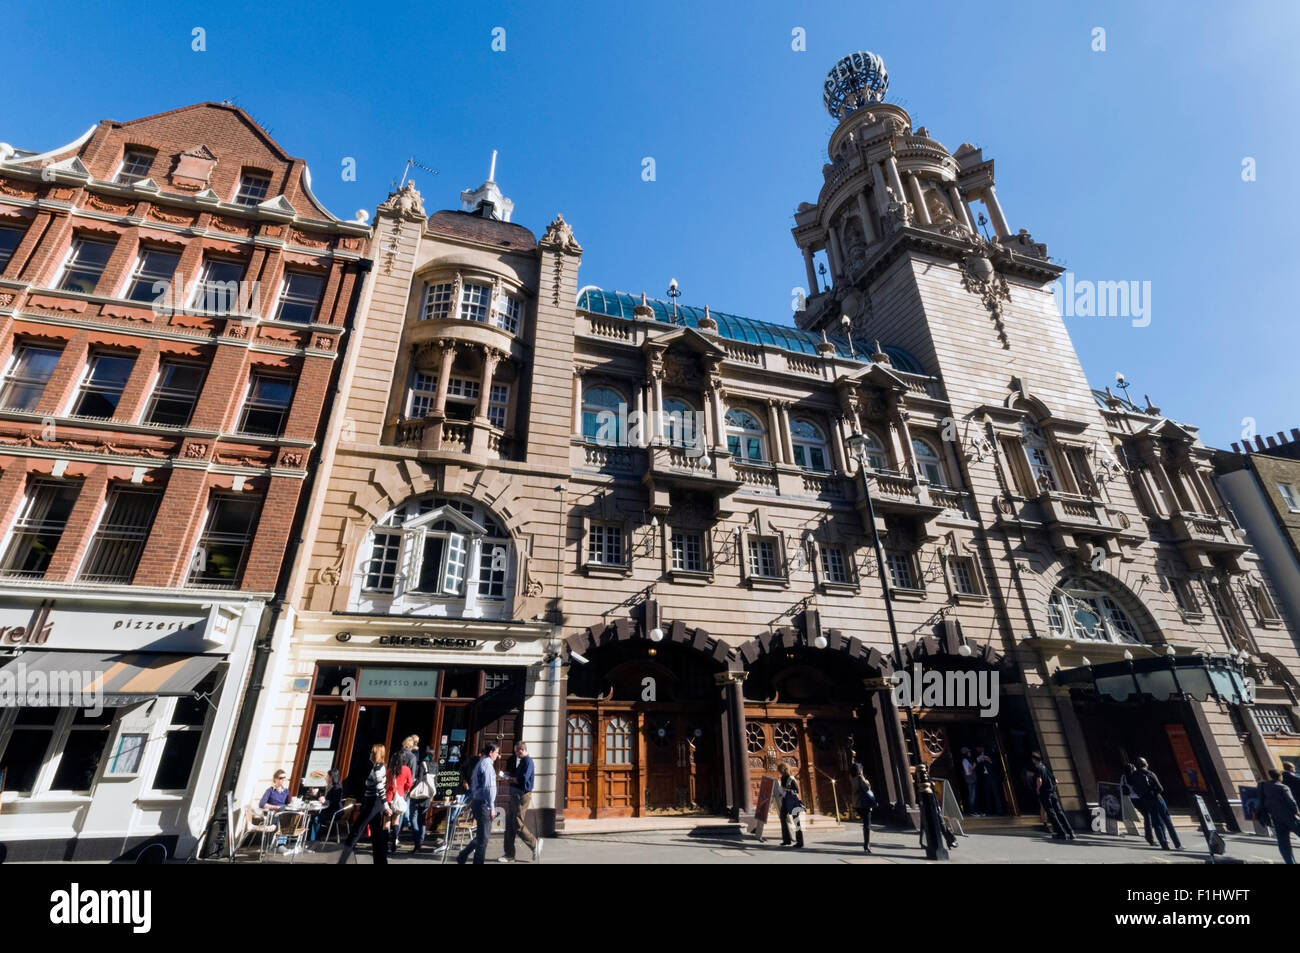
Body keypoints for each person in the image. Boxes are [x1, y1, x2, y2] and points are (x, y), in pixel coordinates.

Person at [338, 744, 391, 864]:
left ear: (376, 753)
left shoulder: (377, 767)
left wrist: (386, 805)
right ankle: (381, 861)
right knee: (376, 834)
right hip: (373, 803)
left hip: (373, 803)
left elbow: (379, 787)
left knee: (356, 830)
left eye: (372, 751)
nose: (370, 753)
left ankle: (342, 860)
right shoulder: (378, 767)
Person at [500, 741, 542, 863]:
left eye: (517, 751)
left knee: (517, 823)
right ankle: (509, 854)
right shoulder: (522, 761)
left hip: (522, 795)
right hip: (515, 795)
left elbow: (524, 779)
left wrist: (511, 779)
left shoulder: (528, 762)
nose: (516, 754)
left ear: (521, 750)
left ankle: (535, 844)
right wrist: (508, 776)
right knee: (509, 823)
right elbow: (518, 776)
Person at [457, 743, 499, 865]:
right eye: (496, 752)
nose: (497, 755)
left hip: (477, 802)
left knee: (481, 835)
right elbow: (488, 788)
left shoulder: (481, 763)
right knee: (483, 839)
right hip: (483, 804)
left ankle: (463, 855)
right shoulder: (487, 765)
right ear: (491, 752)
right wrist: (492, 807)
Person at [1131, 757, 1181, 850]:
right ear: (1146, 764)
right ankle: (1177, 844)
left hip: (1147, 801)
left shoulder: (1134, 775)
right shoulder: (1150, 773)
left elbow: (1134, 789)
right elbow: (1160, 788)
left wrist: (1143, 795)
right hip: (1158, 799)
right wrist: (1154, 792)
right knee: (1167, 822)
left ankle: (1164, 845)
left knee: (1156, 822)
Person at [1029, 752, 1074, 841]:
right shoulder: (1046, 767)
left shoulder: (1037, 768)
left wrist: (1038, 789)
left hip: (1045, 793)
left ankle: (1061, 833)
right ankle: (1070, 832)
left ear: (1034, 760)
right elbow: (1056, 781)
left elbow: (1039, 780)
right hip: (1052, 792)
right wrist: (1053, 789)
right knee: (1059, 812)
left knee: (1051, 813)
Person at [1260, 768, 1300, 864]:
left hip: (1276, 817)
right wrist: (1297, 812)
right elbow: (1292, 802)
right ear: (1280, 777)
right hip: (1290, 817)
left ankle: (1290, 862)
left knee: (1283, 843)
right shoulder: (1283, 787)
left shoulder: (1264, 786)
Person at [386, 748, 413, 855]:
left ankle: (384, 842)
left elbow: (386, 783)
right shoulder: (406, 769)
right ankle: (394, 841)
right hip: (399, 796)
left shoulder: (389, 770)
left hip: (389, 797)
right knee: (396, 821)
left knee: (386, 821)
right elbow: (409, 784)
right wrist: (404, 790)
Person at [1121, 762, 1156, 846]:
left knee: (1147, 816)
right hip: (1141, 798)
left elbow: (1121, 787)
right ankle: (1149, 837)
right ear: (1133, 769)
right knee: (1148, 817)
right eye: (1134, 767)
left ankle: (1149, 835)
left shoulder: (1123, 777)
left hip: (1133, 799)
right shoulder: (1135, 776)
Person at [407, 747, 433, 853]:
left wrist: (410, 790)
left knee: (413, 818)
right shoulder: (435, 765)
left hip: (418, 796)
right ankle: (420, 842)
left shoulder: (422, 764)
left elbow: (419, 779)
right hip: (427, 796)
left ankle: (417, 842)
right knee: (422, 819)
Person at [310, 768, 345, 842]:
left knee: (316, 818)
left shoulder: (337, 788)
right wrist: (317, 795)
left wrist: (325, 801)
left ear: (331, 778)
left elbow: (334, 802)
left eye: (327, 776)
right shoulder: (329, 786)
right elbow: (325, 798)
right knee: (311, 817)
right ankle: (310, 839)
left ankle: (314, 841)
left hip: (335, 812)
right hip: (328, 810)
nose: (325, 778)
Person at [777, 763, 804, 848]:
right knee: (782, 817)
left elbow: (796, 791)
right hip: (785, 800)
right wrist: (781, 793)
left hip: (793, 801)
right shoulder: (783, 777)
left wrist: (786, 790)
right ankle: (786, 840)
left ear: (783, 769)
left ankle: (800, 842)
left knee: (796, 820)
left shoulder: (790, 778)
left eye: (779, 770)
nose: (779, 771)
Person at [853, 763, 877, 853]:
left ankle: (866, 843)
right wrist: (864, 778)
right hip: (864, 804)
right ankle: (867, 844)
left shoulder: (852, 778)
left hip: (857, 803)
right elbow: (867, 788)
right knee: (867, 825)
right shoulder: (859, 778)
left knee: (865, 823)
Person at [974, 745, 1001, 815]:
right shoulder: (979, 756)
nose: (977, 750)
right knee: (987, 794)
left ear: (981, 747)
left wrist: (990, 760)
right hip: (985, 777)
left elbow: (997, 764)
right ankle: (989, 811)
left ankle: (999, 810)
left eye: (978, 748)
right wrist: (978, 762)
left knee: (996, 793)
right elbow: (978, 767)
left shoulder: (990, 753)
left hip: (992, 776)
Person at [960, 748, 978, 816]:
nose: (969, 753)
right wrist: (973, 766)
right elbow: (968, 772)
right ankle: (971, 811)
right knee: (972, 796)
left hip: (972, 779)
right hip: (970, 780)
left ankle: (973, 810)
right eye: (968, 752)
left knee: (973, 795)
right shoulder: (964, 760)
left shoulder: (967, 760)